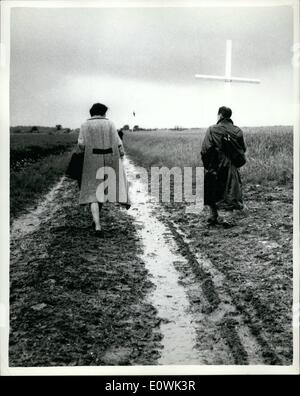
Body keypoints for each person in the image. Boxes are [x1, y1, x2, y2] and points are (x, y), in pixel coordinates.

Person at [78, 103, 131, 237]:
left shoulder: (85, 125)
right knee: (102, 190)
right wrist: (122, 155)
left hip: (92, 160)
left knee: (92, 193)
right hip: (110, 158)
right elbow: (118, 143)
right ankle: (96, 220)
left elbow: (81, 145)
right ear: (103, 113)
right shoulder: (111, 124)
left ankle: (97, 226)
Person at [201, 106, 246, 226]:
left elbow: (205, 149)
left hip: (215, 165)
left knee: (212, 188)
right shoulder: (238, 131)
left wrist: (208, 165)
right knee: (231, 190)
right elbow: (243, 149)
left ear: (220, 115)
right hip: (231, 166)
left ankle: (213, 215)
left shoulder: (212, 129)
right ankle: (228, 218)